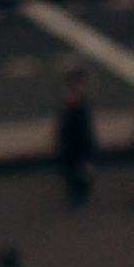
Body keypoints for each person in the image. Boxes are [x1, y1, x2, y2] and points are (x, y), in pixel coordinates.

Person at [53, 75, 97, 207]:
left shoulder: (76, 110)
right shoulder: (74, 109)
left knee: (77, 172)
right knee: (73, 172)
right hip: (71, 148)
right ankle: (77, 193)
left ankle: (78, 193)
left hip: (76, 147)